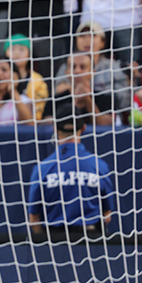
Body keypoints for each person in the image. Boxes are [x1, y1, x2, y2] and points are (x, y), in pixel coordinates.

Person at [27, 97, 115, 241]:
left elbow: (34, 219)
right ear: (83, 128)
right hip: (91, 245)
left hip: (54, 245)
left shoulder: (42, 169)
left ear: (55, 128)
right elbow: (107, 215)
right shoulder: (99, 166)